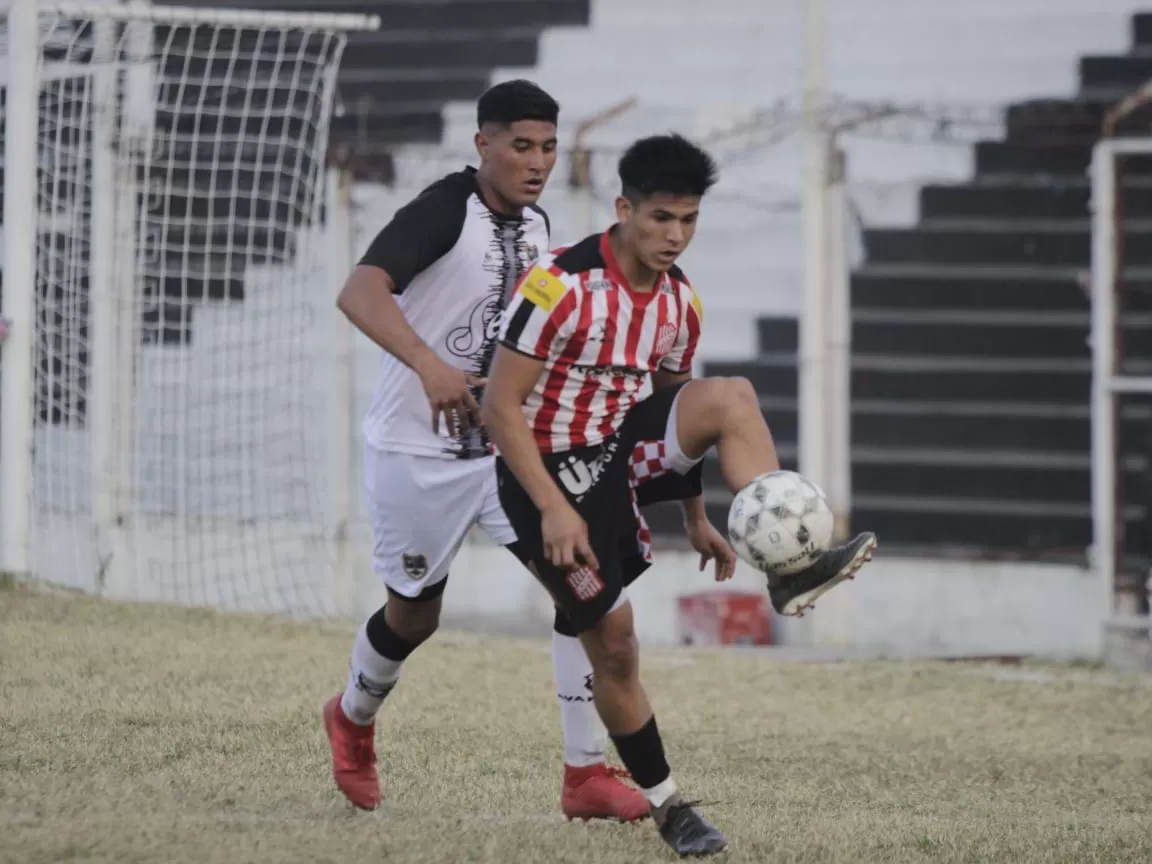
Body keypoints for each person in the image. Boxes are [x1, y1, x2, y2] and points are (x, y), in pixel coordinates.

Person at [482, 133, 877, 856]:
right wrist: (551, 508)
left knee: (730, 395)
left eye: (689, 220)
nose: (675, 236)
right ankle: (669, 807)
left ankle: (790, 565)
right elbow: (499, 409)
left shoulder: (678, 301)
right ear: (624, 207)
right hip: (542, 470)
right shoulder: (559, 285)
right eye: (661, 218)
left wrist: (695, 513)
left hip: (616, 445)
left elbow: (671, 400)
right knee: (618, 645)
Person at [323, 80, 649, 822]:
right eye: (521, 146)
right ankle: (352, 717)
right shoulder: (445, 210)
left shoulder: (538, 229)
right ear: (484, 146)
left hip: (505, 453)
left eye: (547, 148)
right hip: (417, 453)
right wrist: (429, 364)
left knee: (585, 590)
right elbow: (360, 292)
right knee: (412, 619)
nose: (536, 162)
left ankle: (585, 775)